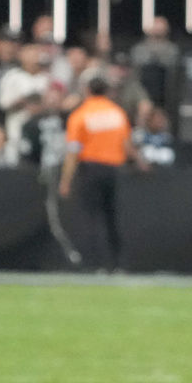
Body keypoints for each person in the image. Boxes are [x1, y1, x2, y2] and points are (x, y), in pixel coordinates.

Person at [58, 77, 143, 272]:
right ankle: (118, 263)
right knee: (113, 218)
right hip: (114, 170)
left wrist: (65, 180)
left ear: (87, 90)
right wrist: (141, 162)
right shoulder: (117, 113)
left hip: (90, 168)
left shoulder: (80, 115)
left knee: (91, 218)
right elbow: (127, 145)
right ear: (107, 91)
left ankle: (95, 264)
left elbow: (73, 151)